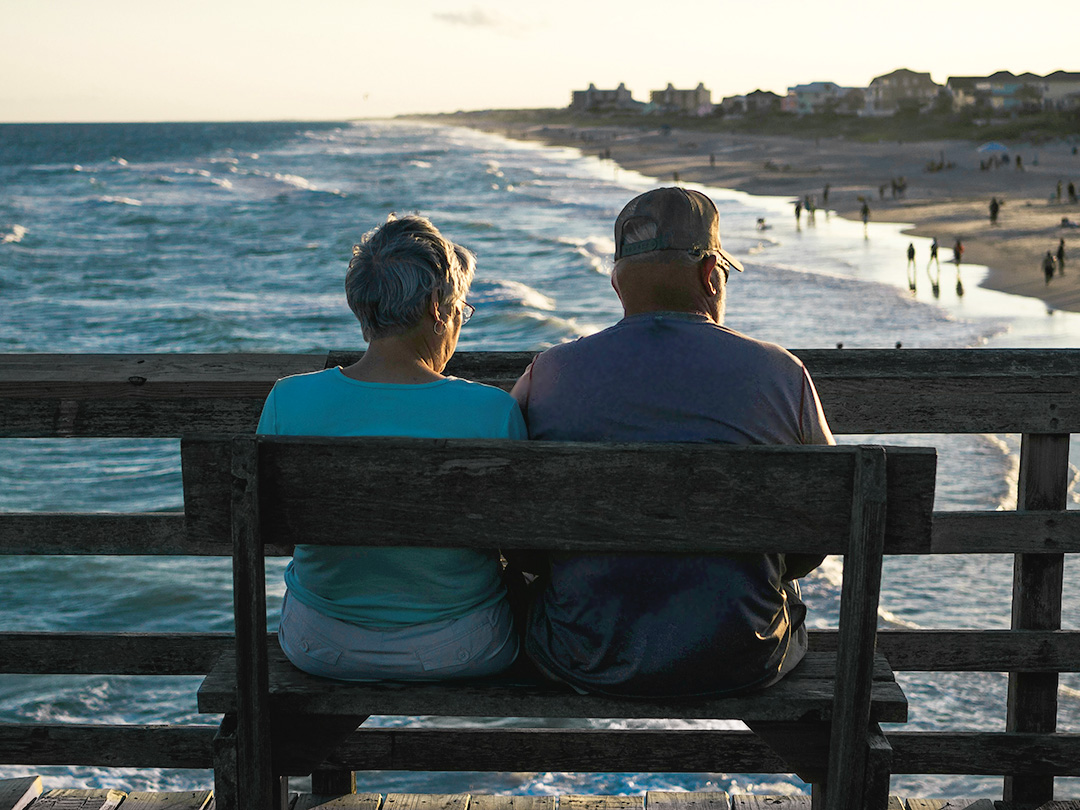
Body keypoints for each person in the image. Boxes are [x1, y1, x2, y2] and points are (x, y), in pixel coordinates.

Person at [509, 187, 834, 698]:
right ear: (711, 276)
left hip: (585, 655)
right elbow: (821, 526)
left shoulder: (547, 373)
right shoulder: (781, 373)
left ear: (618, 285)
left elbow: (514, 527)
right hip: (743, 657)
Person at [257, 214, 525, 682]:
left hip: (318, 643)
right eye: (461, 309)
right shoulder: (491, 411)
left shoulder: (288, 398)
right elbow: (524, 548)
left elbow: (276, 533)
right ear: (438, 308)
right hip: (462, 647)